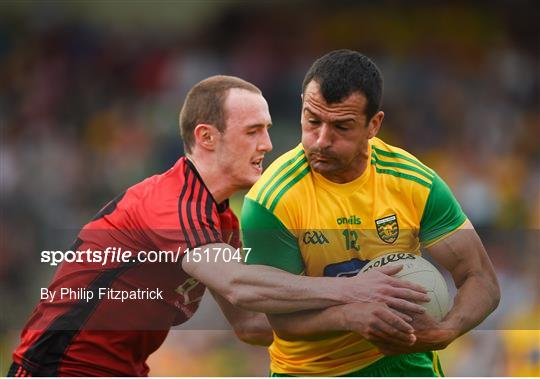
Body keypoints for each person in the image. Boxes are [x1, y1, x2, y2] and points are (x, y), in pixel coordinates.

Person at [8, 75, 428, 377]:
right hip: (57, 370)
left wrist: (361, 322)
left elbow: (251, 324)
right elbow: (239, 284)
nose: (267, 144)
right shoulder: (170, 202)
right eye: (253, 132)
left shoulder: (222, 219)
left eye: (266, 130)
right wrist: (351, 289)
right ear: (207, 137)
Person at [241, 50, 501, 376]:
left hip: (405, 363)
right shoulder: (271, 201)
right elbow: (280, 317)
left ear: (373, 125)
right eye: (312, 121)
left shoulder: (413, 182)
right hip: (311, 370)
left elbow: (481, 279)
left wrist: (444, 332)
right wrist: (350, 316)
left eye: (342, 127)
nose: (321, 140)